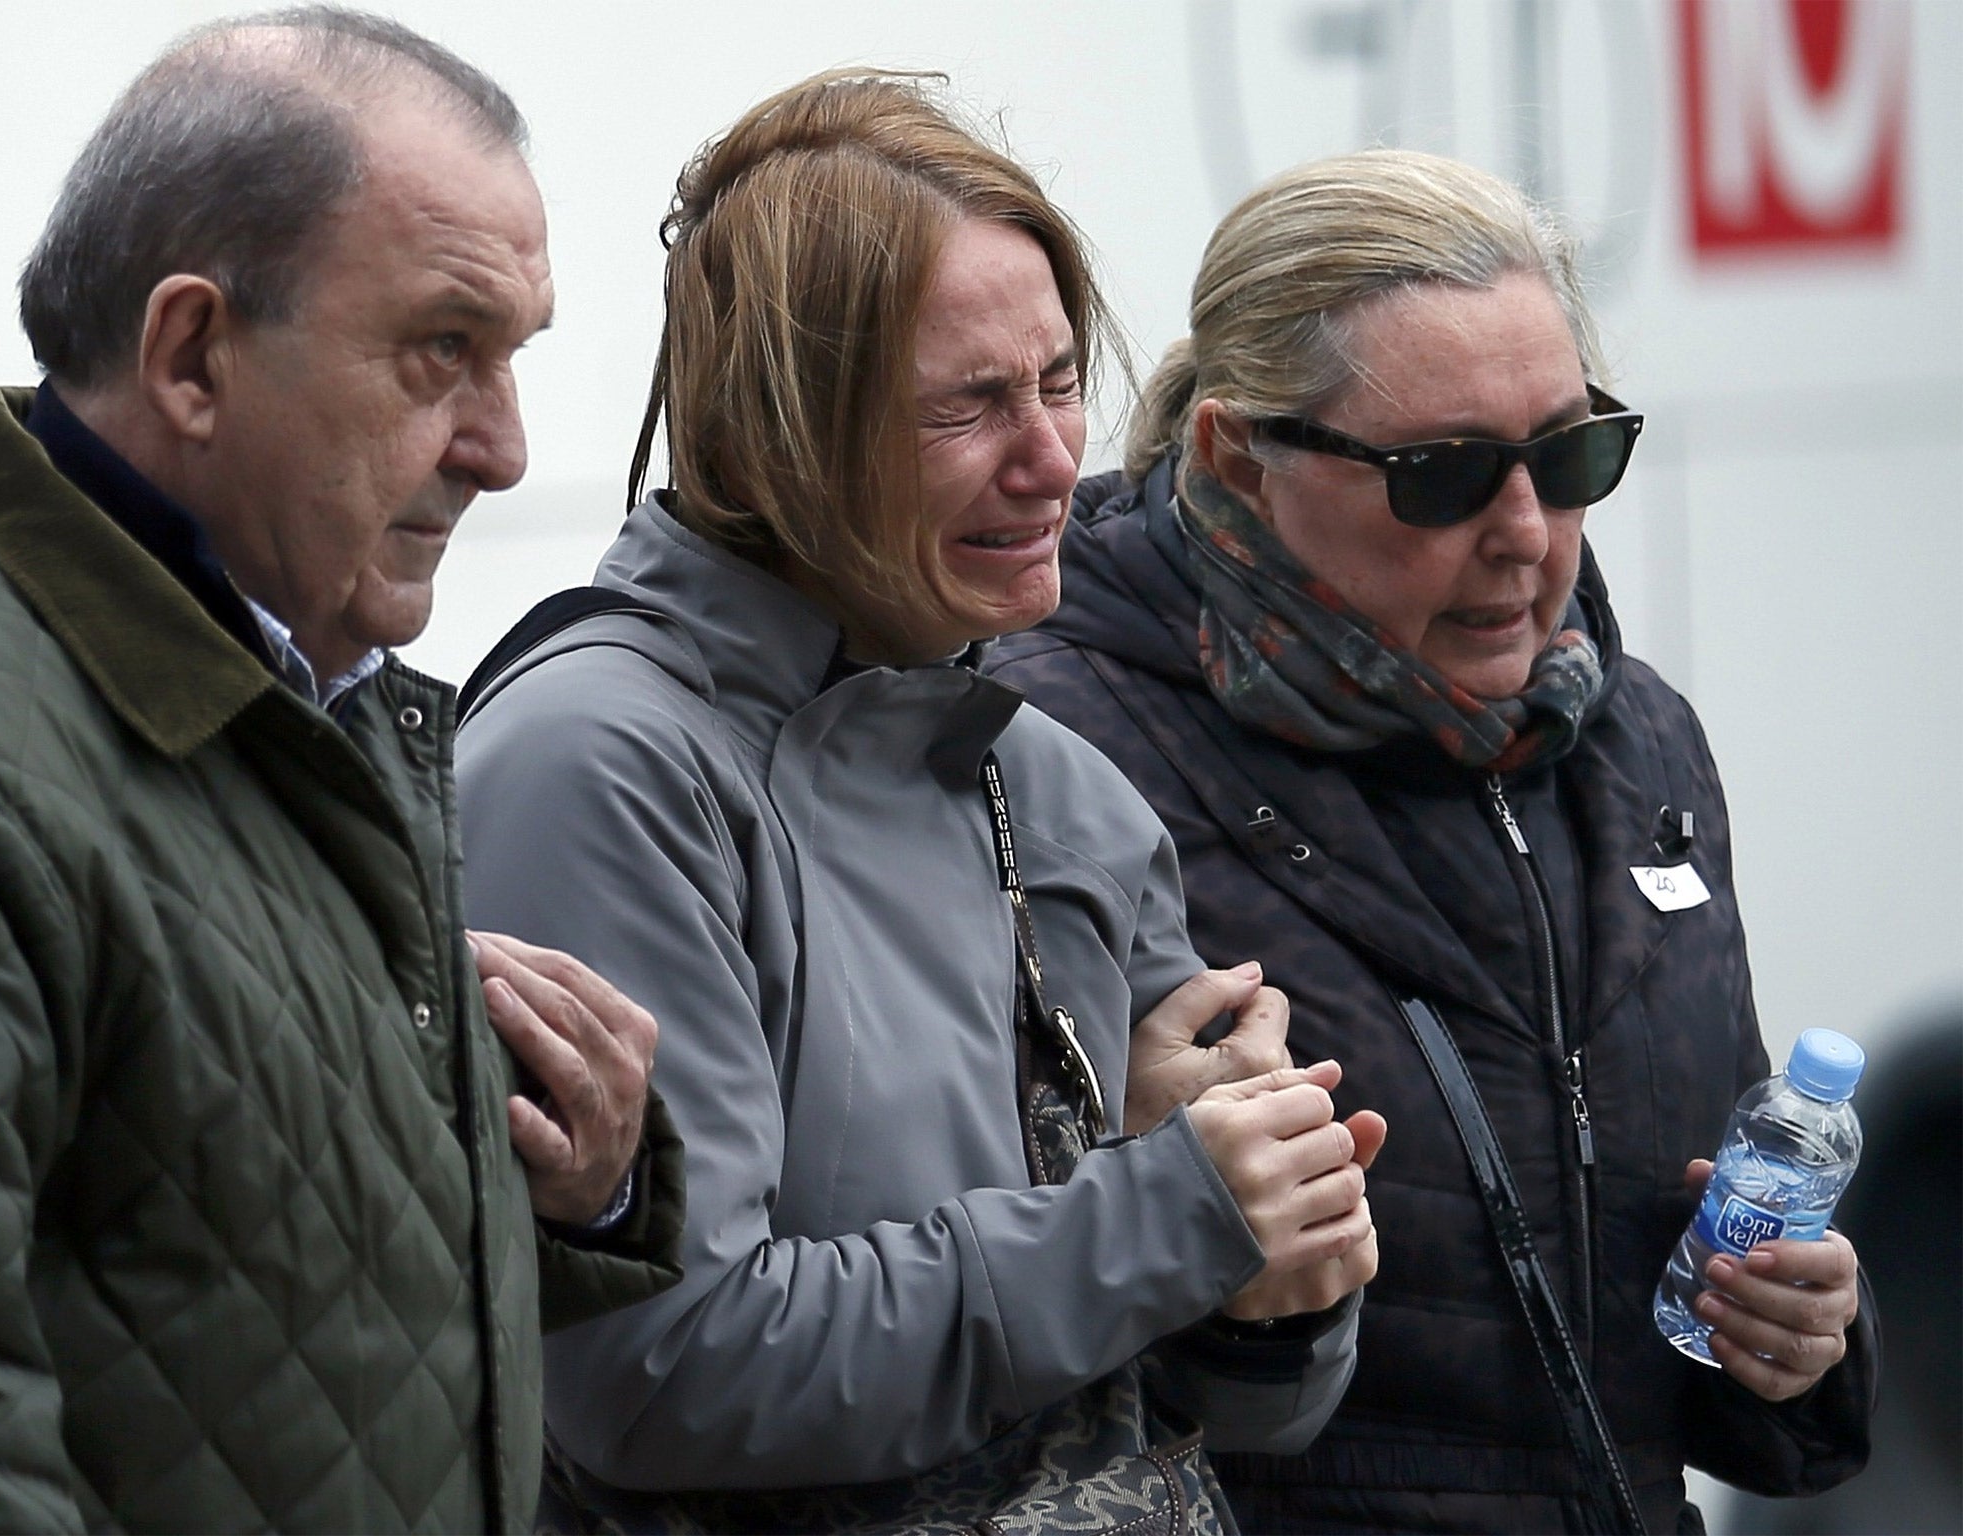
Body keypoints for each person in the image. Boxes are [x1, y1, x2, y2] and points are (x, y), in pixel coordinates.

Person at [455, 71, 1380, 1531]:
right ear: (776, 441)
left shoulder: (1052, 780)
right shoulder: (600, 765)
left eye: (1061, 380)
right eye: (971, 404)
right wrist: (1162, 1215)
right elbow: (658, 1378)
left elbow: (1243, 1413)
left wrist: (1278, 1267)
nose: (1053, 458)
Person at [990, 148, 1878, 1533]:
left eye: (1572, 453)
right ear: (1238, 455)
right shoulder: (1047, 744)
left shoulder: (1635, 739)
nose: (1527, 535)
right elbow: (983, 1334)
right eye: (1444, 476)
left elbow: (1682, 1278)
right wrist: (1226, 1280)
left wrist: (1792, 1341)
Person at [0, 11, 682, 1532]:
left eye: (512, 357)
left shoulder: (309, 694)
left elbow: (274, 1306)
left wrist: (579, 1187)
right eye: (443, 350)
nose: (506, 446)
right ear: (192, 354)